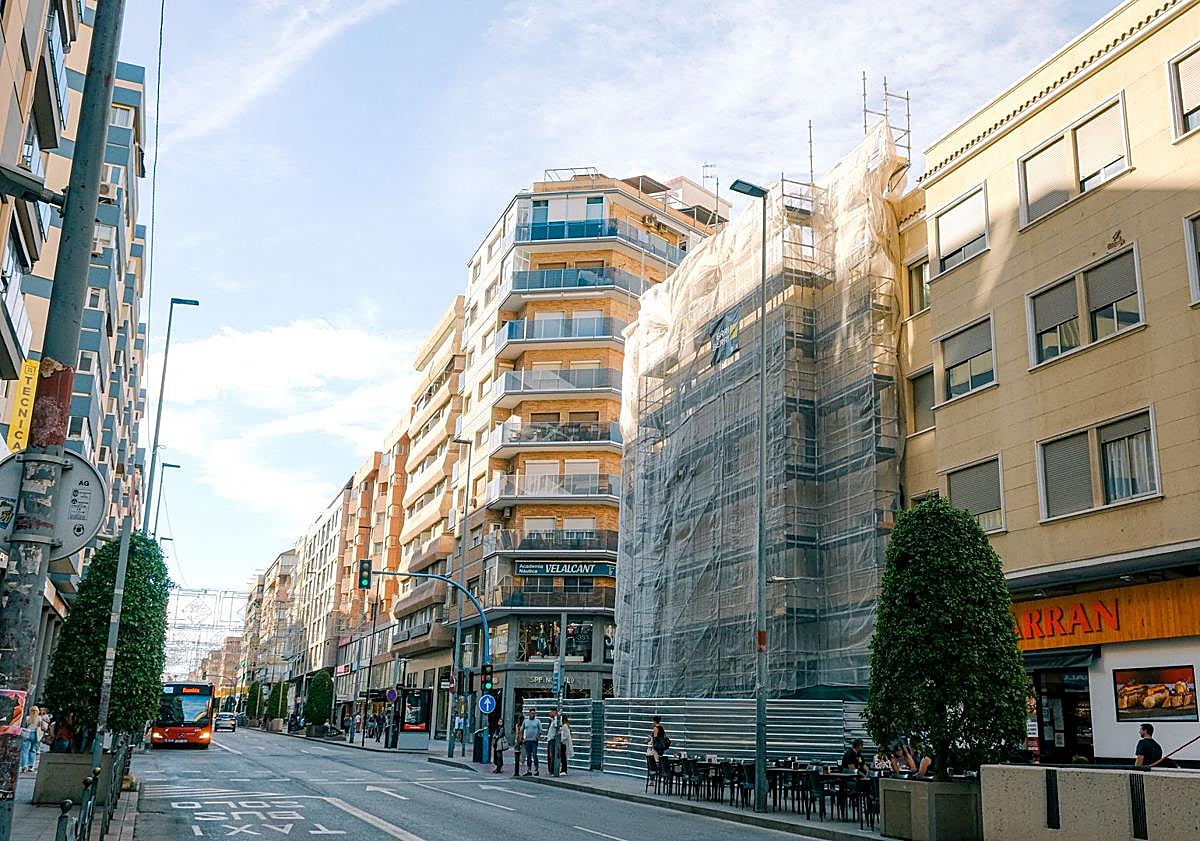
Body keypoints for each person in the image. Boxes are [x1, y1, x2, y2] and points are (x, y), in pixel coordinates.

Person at [20, 706, 43, 773]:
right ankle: (30, 766)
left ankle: (24, 766)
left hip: (27, 733)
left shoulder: (27, 718)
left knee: (25, 751)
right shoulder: (39, 718)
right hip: (35, 734)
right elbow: (41, 727)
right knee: (33, 750)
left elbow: (24, 726)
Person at [521, 708, 543, 776]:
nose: (533, 714)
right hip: (527, 740)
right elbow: (522, 729)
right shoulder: (525, 721)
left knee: (534, 755)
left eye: (534, 713)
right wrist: (522, 738)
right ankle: (529, 769)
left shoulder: (537, 721)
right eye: (531, 713)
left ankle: (536, 769)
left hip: (534, 741)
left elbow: (540, 730)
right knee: (528, 756)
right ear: (529, 713)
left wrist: (537, 736)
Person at [546, 707, 561, 776]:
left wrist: (554, 719)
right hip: (550, 739)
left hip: (553, 740)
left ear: (554, 712)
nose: (550, 713)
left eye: (551, 712)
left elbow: (556, 726)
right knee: (549, 755)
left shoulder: (556, 719)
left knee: (552, 755)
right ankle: (550, 770)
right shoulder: (552, 720)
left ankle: (552, 770)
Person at [512, 714, 525, 779]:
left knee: (517, 756)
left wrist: (516, 742)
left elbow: (517, 734)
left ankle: (516, 772)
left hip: (518, 742)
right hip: (522, 741)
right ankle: (521, 765)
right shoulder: (524, 725)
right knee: (521, 756)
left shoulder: (517, 725)